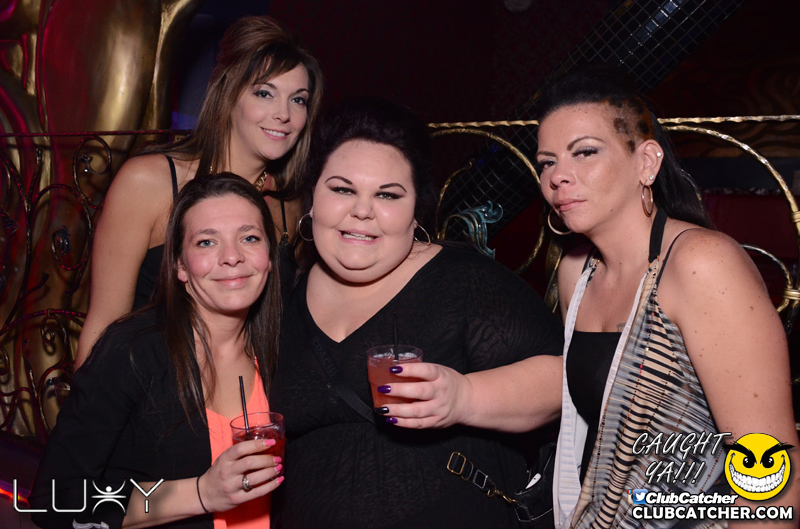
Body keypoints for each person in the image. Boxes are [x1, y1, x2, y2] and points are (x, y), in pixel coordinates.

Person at [268, 98, 564, 528]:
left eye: (387, 195)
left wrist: (464, 397)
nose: (362, 211)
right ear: (312, 198)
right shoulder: (281, 297)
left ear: (415, 212)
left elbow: (561, 380)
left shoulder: (463, 280)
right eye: (342, 189)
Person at [535, 66, 800, 528]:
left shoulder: (700, 264)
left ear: (646, 162)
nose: (559, 175)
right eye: (546, 162)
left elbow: (770, 467)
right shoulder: (577, 271)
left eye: (585, 152)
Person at [30, 174, 284, 528]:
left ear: (269, 256)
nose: (232, 257)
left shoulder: (282, 346)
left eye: (249, 238)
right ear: (179, 265)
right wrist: (201, 493)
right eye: (207, 242)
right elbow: (55, 499)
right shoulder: (133, 351)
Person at [75, 15, 323, 368]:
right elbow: (104, 324)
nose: (284, 114)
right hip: (153, 390)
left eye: (298, 100)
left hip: (250, 394)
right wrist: (87, 404)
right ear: (228, 93)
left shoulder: (289, 202)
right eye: (264, 93)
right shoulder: (150, 183)